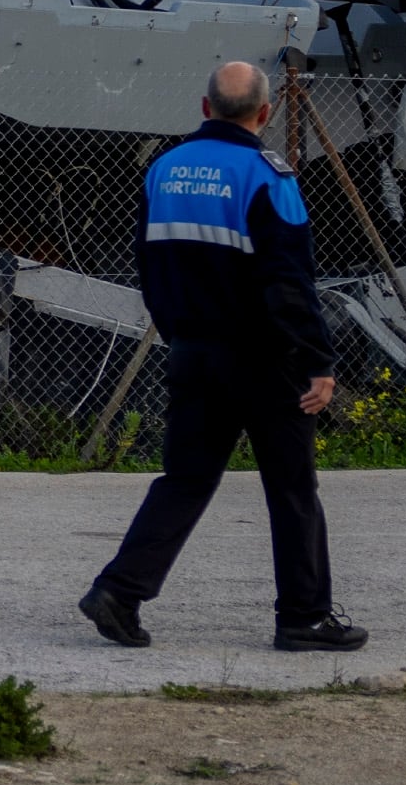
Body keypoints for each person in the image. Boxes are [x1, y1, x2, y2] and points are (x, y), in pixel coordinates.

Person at [78, 59, 367, 653]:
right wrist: (318, 360)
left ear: (205, 108)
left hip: (192, 351)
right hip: (266, 359)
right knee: (291, 488)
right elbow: (290, 279)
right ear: (264, 114)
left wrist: (177, 327)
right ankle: (304, 618)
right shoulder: (269, 175)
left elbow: (148, 261)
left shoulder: (163, 169)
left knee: (185, 480)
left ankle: (120, 590)